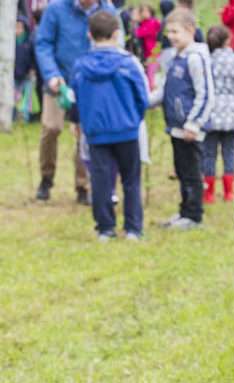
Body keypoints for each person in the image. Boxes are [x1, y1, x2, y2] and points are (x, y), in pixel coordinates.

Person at [71, 10, 149, 241]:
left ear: (89, 34)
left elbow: (75, 98)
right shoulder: (129, 63)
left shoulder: (80, 66)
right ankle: (133, 228)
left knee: (101, 181)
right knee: (131, 180)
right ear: (117, 33)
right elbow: (141, 97)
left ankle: (105, 228)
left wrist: (77, 122)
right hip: (126, 130)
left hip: (96, 132)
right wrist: (134, 118)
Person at [33, 0, 116, 203]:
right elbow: (43, 43)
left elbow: (114, 44)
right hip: (59, 80)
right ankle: (46, 178)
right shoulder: (56, 9)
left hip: (89, 82)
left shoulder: (108, 10)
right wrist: (51, 74)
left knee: (85, 134)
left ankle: (83, 185)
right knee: (51, 128)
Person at [150, 8, 214, 230]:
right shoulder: (177, 57)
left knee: (192, 172)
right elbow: (167, 89)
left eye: (175, 31)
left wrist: (194, 124)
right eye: (169, 32)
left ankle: (194, 215)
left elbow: (205, 94)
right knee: (182, 170)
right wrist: (149, 102)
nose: (171, 36)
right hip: (176, 127)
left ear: (190, 30)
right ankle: (184, 211)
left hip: (190, 129)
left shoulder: (196, 58)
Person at [202, 25, 234, 203]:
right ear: (227, 40)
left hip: (211, 114)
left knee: (209, 153)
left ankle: (208, 193)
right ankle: (229, 191)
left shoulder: (206, 60)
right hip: (231, 112)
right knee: (229, 151)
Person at [134, 4, 162, 87]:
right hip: (147, 55)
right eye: (143, 11)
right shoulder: (143, 23)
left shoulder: (153, 22)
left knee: (151, 78)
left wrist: (153, 56)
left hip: (154, 55)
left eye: (147, 11)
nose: (145, 13)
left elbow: (138, 33)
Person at [15, 15, 36, 123]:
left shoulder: (29, 43)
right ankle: (12, 116)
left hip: (26, 75)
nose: (17, 30)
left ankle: (25, 117)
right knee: (14, 97)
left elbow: (33, 57)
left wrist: (32, 69)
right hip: (13, 76)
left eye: (20, 27)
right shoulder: (10, 43)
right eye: (15, 27)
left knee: (27, 97)